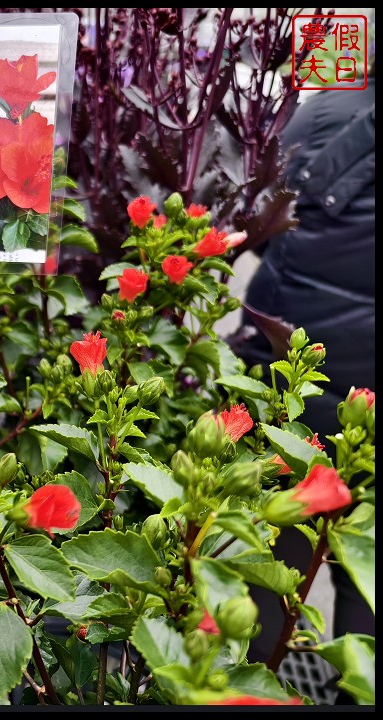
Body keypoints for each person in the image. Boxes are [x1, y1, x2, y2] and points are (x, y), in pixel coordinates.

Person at [234, 66, 374, 696]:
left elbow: (264, 224)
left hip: (294, 352)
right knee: (366, 562)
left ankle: (251, 681)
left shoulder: (325, 105)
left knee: (281, 537)